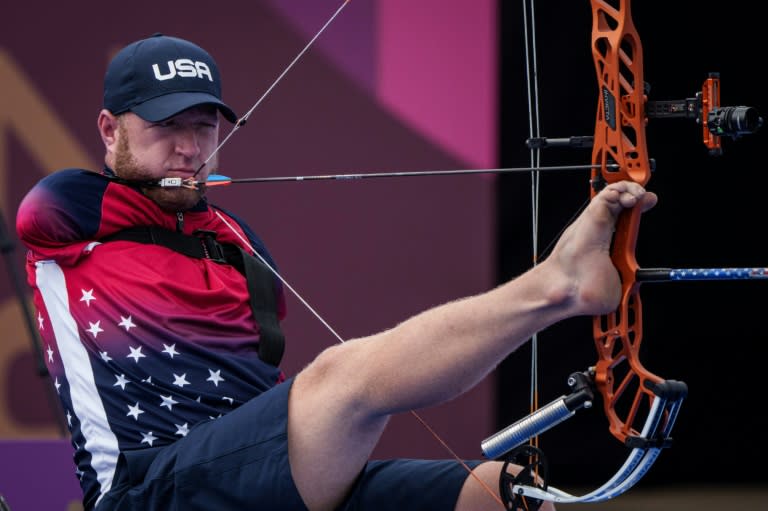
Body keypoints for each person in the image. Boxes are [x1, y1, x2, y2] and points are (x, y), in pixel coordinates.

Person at [15, 33, 657, 511]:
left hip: (258, 479)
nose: (189, 148)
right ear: (109, 128)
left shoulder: (238, 243)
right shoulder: (68, 220)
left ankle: (561, 286)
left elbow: (260, 383)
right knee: (343, 375)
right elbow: (43, 208)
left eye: (203, 125)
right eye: (165, 127)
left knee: (505, 494)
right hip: (147, 491)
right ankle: (556, 285)